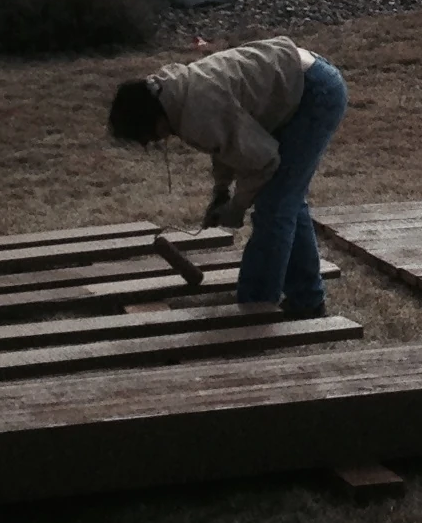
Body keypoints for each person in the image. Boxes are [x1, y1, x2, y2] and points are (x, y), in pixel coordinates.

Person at [108, 37, 345, 316]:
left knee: (274, 208)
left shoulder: (196, 108)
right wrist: (221, 191)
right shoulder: (174, 93)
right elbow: (224, 144)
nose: (153, 142)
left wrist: (235, 208)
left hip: (314, 93)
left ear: (149, 118)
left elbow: (263, 162)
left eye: (147, 136)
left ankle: (256, 308)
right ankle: (307, 301)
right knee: (286, 201)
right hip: (297, 80)